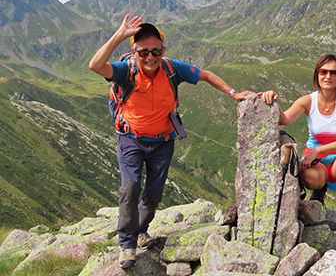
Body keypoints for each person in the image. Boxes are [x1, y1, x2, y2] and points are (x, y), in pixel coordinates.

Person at [89, 15, 252, 269]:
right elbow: (95, 65)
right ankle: (127, 245)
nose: (150, 57)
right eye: (143, 52)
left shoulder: (172, 68)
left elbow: (207, 75)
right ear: (134, 51)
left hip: (163, 141)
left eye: (156, 51)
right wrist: (120, 34)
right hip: (130, 138)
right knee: (130, 188)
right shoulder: (126, 71)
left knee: (153, 195)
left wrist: (233, 94)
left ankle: (141, 230)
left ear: (163, 51)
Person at [261, 54, 336, 234]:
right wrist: (272, 100)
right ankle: (320, 190)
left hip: (335, 160)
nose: (328, 76)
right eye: (323, 72)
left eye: (334, 73)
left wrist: (318, 150)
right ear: (317, 74)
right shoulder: (308, 101)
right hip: (315, 162)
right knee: (311, 179)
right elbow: (283, 119)